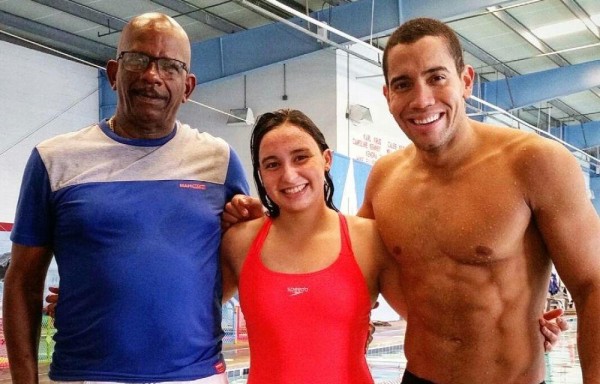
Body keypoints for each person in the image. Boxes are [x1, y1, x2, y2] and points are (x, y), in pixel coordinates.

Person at [3, 12, 248, 384]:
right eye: (138, 60)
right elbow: (22, 281)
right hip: (85, 374)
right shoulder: (56, 159)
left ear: (188, 86)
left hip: (196, 375)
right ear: (114, 73)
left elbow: (241, 265)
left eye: (170, 66)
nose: (152, 76)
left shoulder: (219, 161)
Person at [356, 18, 600, 383]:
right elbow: (348, 266)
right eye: (403, 84)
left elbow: (592, 285)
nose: (421, 100)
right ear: (388, 95)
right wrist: (264, 221)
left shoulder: (535, 163)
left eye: (437, 78)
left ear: (466, 81)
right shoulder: (385, 178)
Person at [220, 109, 405, 383]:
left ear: (326, 159)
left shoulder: (369, 239)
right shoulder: (239, 241)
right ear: (260, 174)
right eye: (272, 164)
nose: (289, 175)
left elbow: (428, 325)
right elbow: (193, 316)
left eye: (300, 157)